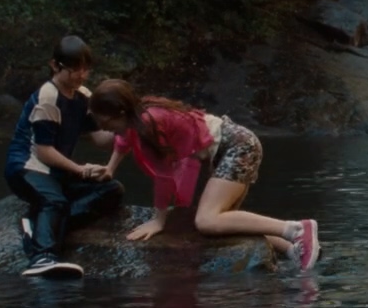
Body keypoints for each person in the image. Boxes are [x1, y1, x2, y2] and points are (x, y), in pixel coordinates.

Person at [86, 79, 321, 270]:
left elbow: (164, 177)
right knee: (225, 222)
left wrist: (159, 220)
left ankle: (296, 230)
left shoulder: (148, 124)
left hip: (236, 146)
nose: (102, 126)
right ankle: (292, 250)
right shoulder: (137, 117)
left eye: (103, 121)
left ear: (119, 113)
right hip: (230, 146)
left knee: (207, 221)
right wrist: (110, 168)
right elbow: (121, 142)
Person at [2, 36, 124, 277]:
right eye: (74, 69)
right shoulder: (47, 97)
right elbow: (44, 151)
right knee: (54, 201)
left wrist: (125, 131)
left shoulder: (82, 96)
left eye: (85, 69)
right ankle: (42, 257)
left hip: (56, 172)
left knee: (111, 190)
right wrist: (81, 170)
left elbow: (100, 137)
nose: (81, 75)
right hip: (27, 168)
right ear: (55, 66)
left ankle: (38, 225)